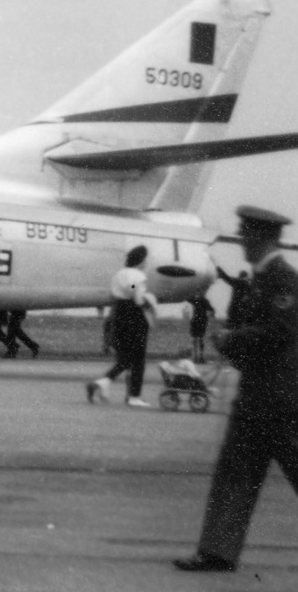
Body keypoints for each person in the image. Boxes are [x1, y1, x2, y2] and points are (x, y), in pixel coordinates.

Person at [175, 206, 298, 573]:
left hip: (281, 398)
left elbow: (280, 331)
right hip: (256, 395)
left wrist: (231, 339)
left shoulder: (283, 279)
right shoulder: (261, 279)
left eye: (247, 233)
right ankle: (217, 552)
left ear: (263, 238)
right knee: (235, 471)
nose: (242, 239)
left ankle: (217, 551)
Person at [86, 246, 157, 407]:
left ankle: (103, 383)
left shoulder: (119, 274)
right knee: (138, 359)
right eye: (146, 258)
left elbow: (113, 294)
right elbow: (138, 298)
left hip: (118, 313)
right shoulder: (138, 276)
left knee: (125, 357)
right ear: (141, 260)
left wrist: (128, 291)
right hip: (134, 316)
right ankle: (134, 396)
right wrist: (149, 307)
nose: (147, 261)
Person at [189, 293, 215, 363]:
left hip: (195, 320)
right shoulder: (205, 301)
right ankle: (200, 357)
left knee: (195, 339)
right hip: (202, 321)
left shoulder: (195, 300)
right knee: (200, 339)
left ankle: (196, 357)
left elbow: (188, 298)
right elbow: (212, 310)